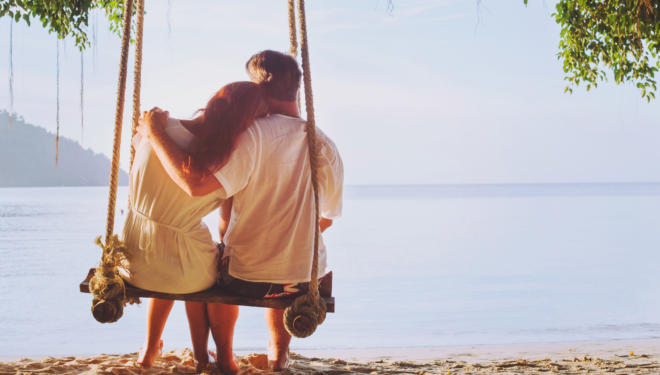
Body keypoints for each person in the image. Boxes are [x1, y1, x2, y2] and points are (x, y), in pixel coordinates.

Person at [138, 49, 344, 372]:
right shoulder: (325, 145)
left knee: (213, 267)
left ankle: (223, 357)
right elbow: (327, 217)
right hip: (303, 280)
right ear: (296, 90)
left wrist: (156, 132)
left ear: (260, 87)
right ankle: (278, 353)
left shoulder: (250, 139)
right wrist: (288, 236)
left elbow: (202, 190)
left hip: (245, 279)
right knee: (278, 266)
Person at [120, 81, 267, 371]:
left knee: (175, 253)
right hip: (182, 268)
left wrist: (153, 128)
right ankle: (206, 358)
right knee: (206, 267)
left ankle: (149, 350)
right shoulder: (224, 164)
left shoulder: (152, 130)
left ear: (214, 102)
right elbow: (225, 227)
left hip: (132, 259)